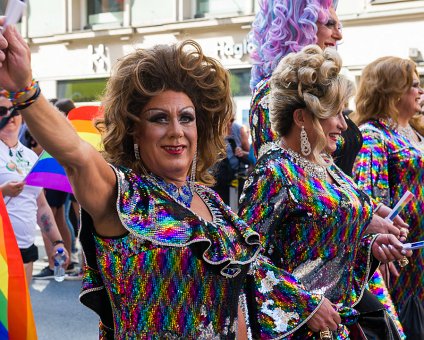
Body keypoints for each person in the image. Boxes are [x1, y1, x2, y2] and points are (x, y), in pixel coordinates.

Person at [0, 24, 269, 337]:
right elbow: (77, 155)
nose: (176, 131)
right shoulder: (124, 196)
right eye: (159, 118)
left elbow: (234, 305)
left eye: (186, 118)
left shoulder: (214, 204)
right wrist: (25, 88)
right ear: (134, 132)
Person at [239, 45, 411, 339]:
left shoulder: (329, 169)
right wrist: (304, 305)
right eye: (335, 113)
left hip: (339, 326)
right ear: (302, 117)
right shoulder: (274, 172)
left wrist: (370, 247)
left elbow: (325, 248)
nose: (344, 125)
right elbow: (244, 258)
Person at [352, 56, 424, 339]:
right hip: (401, 259)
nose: (420, 91)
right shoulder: (373, 135)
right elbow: (369, 197)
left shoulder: (416, 131)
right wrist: (379, 247)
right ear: (391, 91)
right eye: (413, 85)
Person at [248, 0, 341, 157]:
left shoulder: (324, 88)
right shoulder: (271, 92)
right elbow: (276, 170)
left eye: (338, 26)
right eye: (329, 24)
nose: (339, 35)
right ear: (299, 26)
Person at [0, 95, 69, 285]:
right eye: (2, 112)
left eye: (14, 110)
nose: (10, 116)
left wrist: (57, 242)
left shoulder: (30, 156)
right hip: (2, 252)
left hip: (25, 249)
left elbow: (42, 206)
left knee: (20, 313)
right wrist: (3, 191)